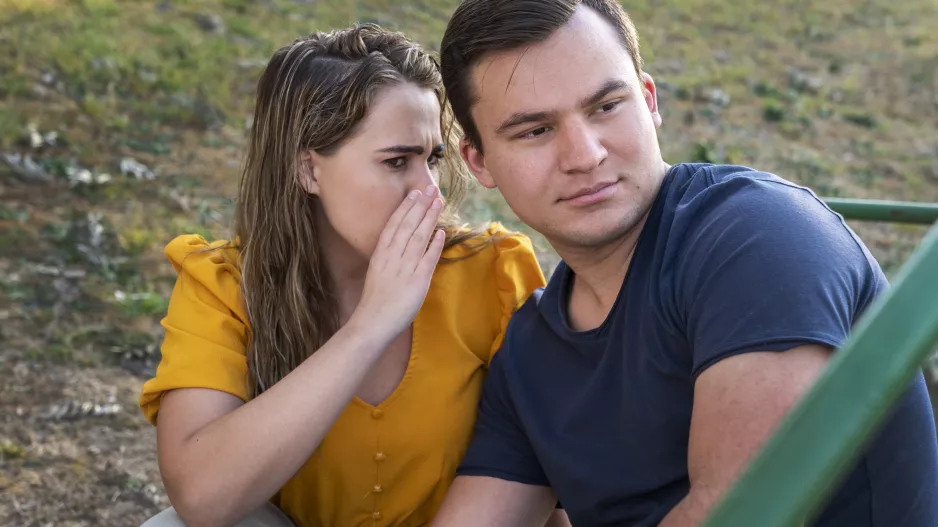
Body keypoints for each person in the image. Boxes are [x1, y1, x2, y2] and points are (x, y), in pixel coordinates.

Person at [429, 1, 938, 526]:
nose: (584, 155)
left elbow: (737, 516)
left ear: (649, 101)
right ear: (479, 161)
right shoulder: (531, 352)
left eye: (606, 106)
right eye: (534, 131)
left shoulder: (756, 236)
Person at [136, 23, 569, 527]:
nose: (428, 192)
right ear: (308, 169)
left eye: (431, 159)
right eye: (395, 162)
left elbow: (540, 480)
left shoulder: (492, 272)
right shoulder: (224, 285)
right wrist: (371, 325)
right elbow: (201, 497)